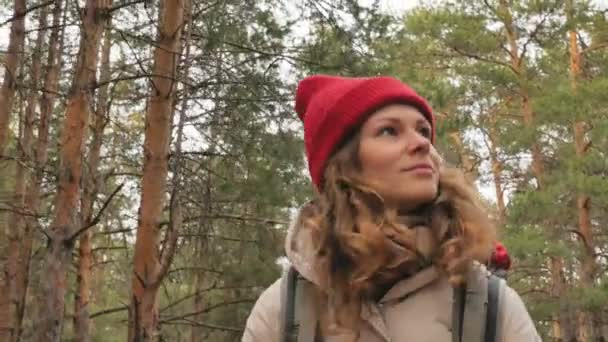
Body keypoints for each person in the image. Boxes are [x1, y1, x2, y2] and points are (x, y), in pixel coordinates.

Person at [242, 75, 540, 341]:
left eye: (423, 131)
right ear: (344, 166)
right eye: (389, 131)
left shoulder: (486, 302)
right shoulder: (286, 310)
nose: (422, 144)